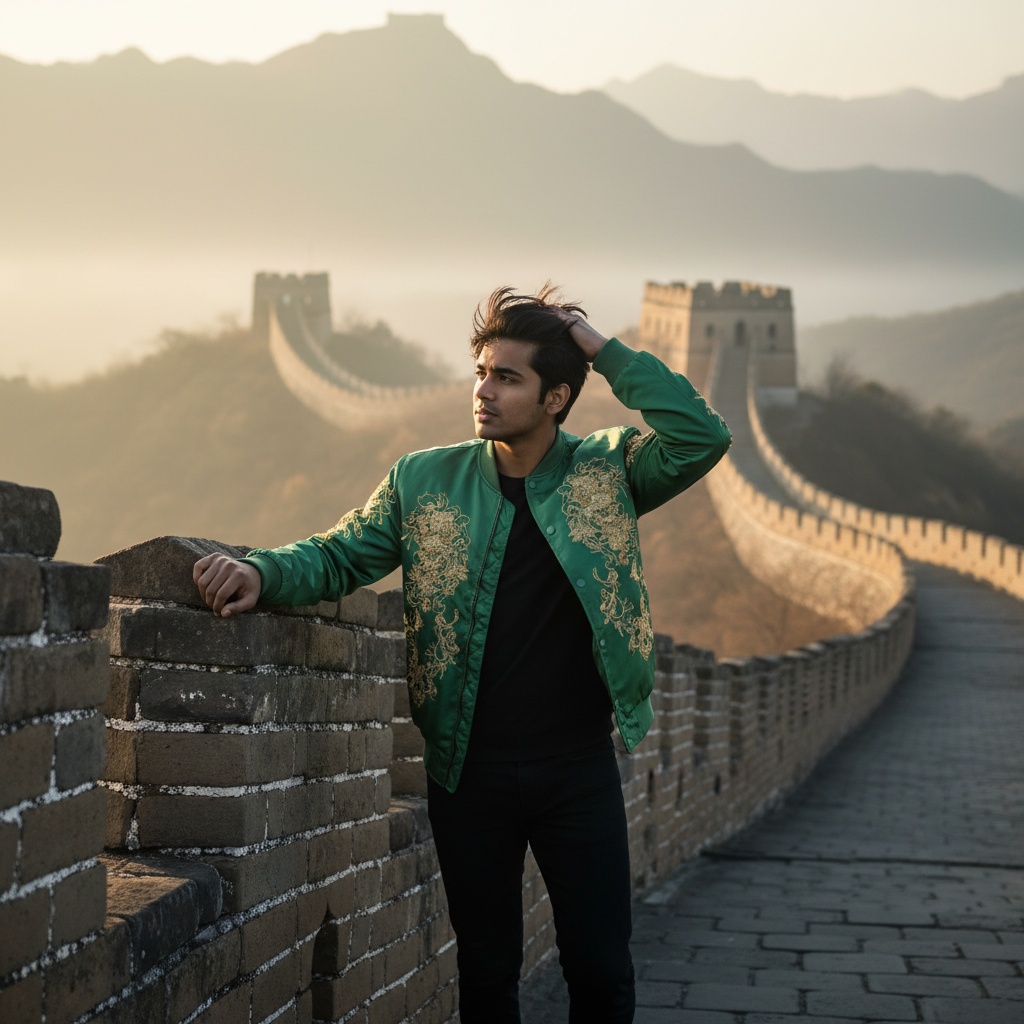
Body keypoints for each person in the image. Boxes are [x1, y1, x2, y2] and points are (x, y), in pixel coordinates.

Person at [194, 285, 731, 1023]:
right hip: (467, 771)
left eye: (507, 377)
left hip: (577, 767)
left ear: (556, 398)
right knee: (486, 976)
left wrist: (602, 348)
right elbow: (341, 554)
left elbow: (702, 436)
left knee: (601, 971)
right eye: (480, 372)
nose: (483, 391)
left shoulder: (609, 474)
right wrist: (261, 570)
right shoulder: (424, 480)